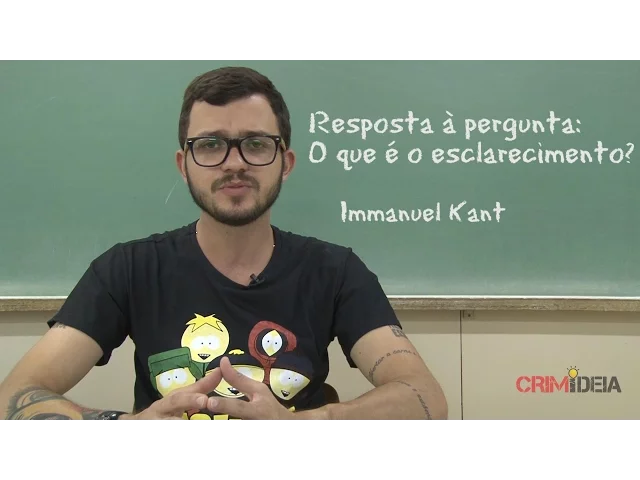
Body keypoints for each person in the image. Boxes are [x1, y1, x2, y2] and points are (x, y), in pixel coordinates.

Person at [0, 66, 448, 420]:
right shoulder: (128, 269)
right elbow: (14, 396)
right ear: (184, 164)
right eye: (211, 145)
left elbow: (424, 396)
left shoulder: (335, 271)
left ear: (286, 162)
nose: (234, 163)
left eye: (256, 144)